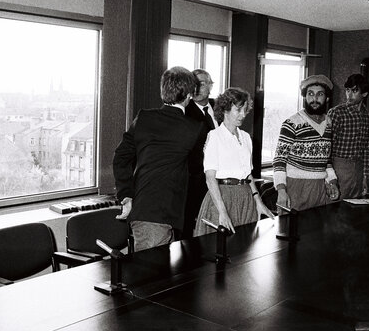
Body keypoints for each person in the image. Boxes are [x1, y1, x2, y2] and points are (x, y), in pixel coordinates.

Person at [112, 66, 201, 251]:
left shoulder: (144, 118)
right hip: (159, 215)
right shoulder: (192, 129)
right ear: (189, 95)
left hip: (146, 211)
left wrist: (126, 194)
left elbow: (121, 157)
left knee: (156, 276)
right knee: (150, 276)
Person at [194, 87, 274, 236]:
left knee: (244, 250)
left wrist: (258, 202)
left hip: (245, 198)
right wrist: (222, 212)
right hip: (222, 198)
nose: (243, 115)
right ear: (225, 110)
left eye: (245, 110)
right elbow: (210, 178)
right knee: (217, 249)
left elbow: (248, 175)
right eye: (238, 110)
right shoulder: (215, 136)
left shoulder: (246, 137)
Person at [273, 74, 339, 211]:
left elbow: (326, 160)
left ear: (326, 98)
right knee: (293, 230)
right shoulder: (291, 123)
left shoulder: (329, 124)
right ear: (305, 97)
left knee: (318, 229)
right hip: (296, 187)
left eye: (319, 94)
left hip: (320, 188)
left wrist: (333, 182)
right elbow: (279, 161)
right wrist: (281, 190)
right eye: (310, 94)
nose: (314, 99)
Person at [327, 73, 369, 198]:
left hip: (359, 167)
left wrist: (364, 176)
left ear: (364, 94)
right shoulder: (337, 113)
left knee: (355, 206)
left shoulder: (368, 114)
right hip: (339, 166)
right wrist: (330, 178)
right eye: (347, 90)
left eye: (354, 91)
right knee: (336, 206)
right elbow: (328, 146)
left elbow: (368, 148)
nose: (349, 94)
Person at [183, 68, 217, 238]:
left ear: (210, 85)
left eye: (201, 83)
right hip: (196, 183)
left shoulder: (221, 108)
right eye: (193, 84)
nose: (196, 88)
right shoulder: (185, 112)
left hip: (222, 179)